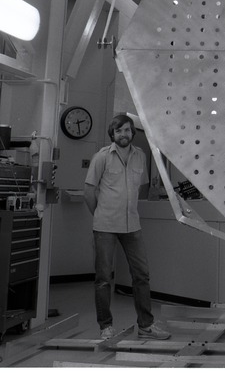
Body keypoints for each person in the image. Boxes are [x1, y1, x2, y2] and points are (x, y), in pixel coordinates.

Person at [84, 114, 171, 340]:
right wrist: (101, 214)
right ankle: (106, 327)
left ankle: (146, 326)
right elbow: (89, 192)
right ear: (112, 134)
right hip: (105, 226)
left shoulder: (140, 156)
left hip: (132, 225)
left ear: (132, 133)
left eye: (127, 130)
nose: (124, 134)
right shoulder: (101, 157)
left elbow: (140, 188)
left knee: (142, 275)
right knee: (104, 278)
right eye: (119, 131)